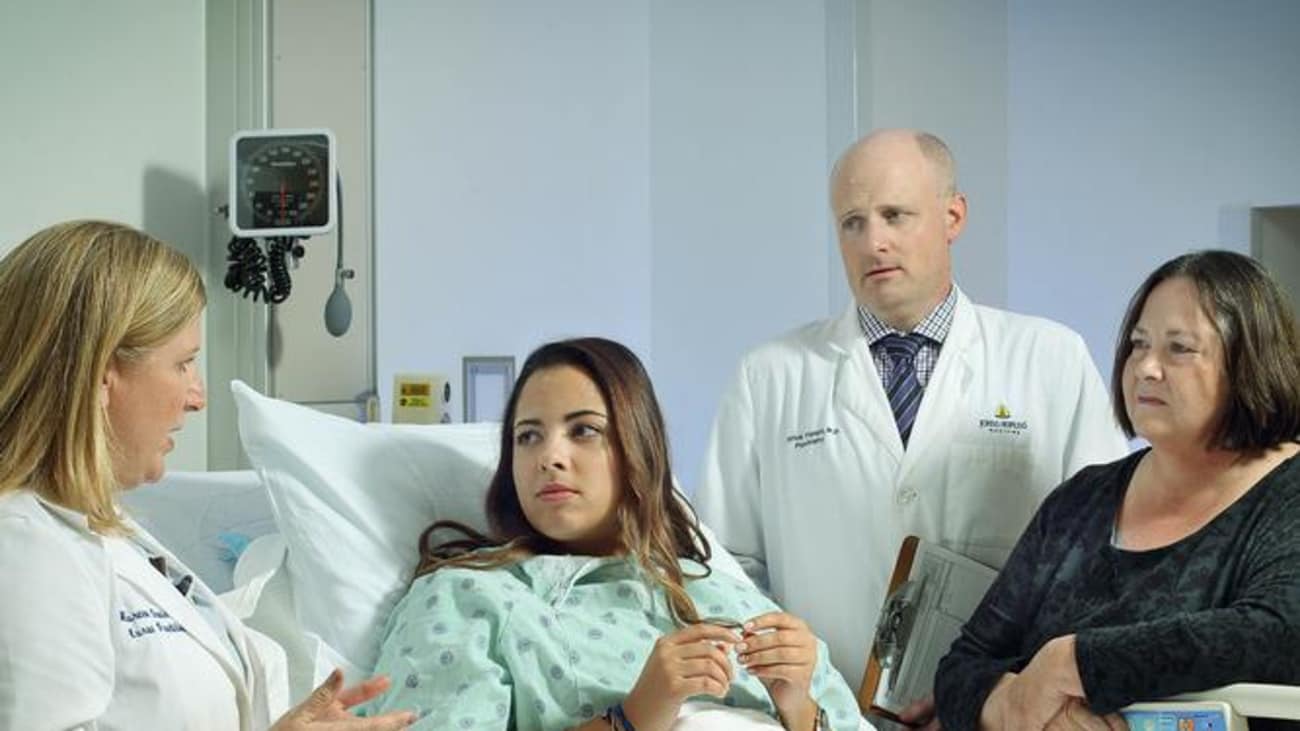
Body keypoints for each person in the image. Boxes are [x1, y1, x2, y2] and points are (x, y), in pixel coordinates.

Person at [693, 129, 1130, 716]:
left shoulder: (1048, 358)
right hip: (824, 710)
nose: (874, 242)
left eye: (895, 215)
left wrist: (1000, 693)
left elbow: (1102, 555)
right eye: (852, 222)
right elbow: (726, 568)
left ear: (953, 216)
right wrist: (800, 694)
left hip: (1000, 711)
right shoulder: (769, 375)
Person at [0, 220, 415, 730]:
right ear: (101, 374)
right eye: (183, 365)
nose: (198, 397)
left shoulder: (105, 535)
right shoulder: (24, 546)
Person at [361, 338, 865, 730]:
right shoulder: (470, 597)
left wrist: (799, 707)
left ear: (637, 450)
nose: (549, 457)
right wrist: (633, 717)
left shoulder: (735, 603)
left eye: (583, 431)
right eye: (527, 436)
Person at [934, 250, 1300, 731]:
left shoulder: (1286, 493)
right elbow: (963, 665)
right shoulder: (1081, 500)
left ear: (1249, 361)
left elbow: (1278, 633)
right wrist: (1016, 706)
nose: (1145, 367)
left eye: (1179, 348)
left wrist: (1070, 664)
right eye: (1137, 344)